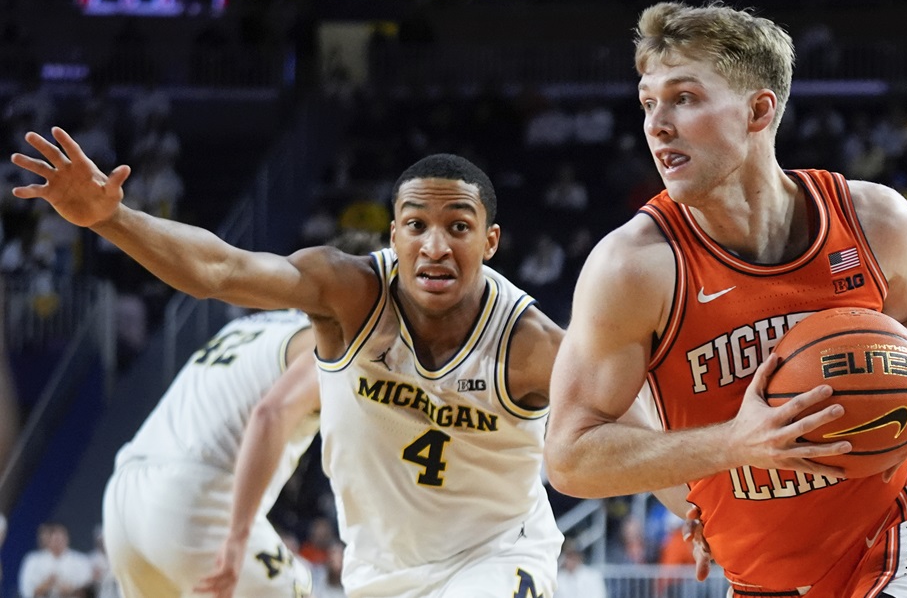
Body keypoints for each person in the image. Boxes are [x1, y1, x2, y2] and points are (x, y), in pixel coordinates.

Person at [544, 1, 907, 597]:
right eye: (649, 102)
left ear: (758, 110)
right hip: (762, 576)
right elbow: (570, 456)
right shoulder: (635, 267)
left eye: (684, 98)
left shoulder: (871, 219)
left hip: (902, 529)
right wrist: (723, 451)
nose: (656, 124)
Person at [10, 135, 568, 597]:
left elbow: (221, 273)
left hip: (128, 490)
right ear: (391, 242)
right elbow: (261, 382)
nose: (434, 248)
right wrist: (112, 219)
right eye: (417, 228)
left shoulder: (526, 338)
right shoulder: (325, 318)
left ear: (489, 240)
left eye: (457, 228)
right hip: (219, 507)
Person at [100, 308, 320, 598]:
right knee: (296, 589)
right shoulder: (332, 344)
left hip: (125, 494)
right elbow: (269, 415)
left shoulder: (248, 325)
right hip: (192, 498)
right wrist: (238, 536)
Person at [17, 522, 93, 598]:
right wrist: (45, 585)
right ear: (49, 540)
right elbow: (27, 588)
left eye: (61, 538)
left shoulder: (80, 560)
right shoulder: (33, 560)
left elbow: (87, 587)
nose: (58, 542)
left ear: (67, 538)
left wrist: (72, 589)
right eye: (55, 539)